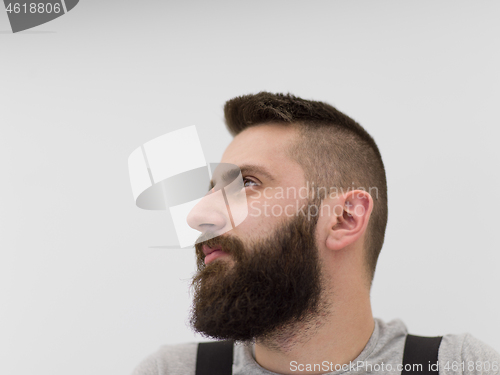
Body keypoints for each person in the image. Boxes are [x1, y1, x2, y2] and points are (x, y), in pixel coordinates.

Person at [131, 92, 499, 375]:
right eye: (212, 190)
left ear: (344, 219)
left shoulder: (459, 367)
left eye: (246, 182)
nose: (198, 215)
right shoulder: (172, 370)